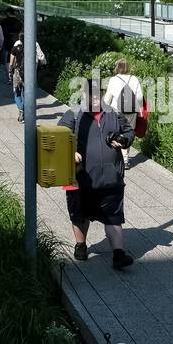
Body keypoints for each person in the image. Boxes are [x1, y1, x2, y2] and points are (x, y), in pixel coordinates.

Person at [58, 80, 134, 269]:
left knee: (113, 217)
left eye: (97, 96)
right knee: (80, 215)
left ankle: (118, 254)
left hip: (111, 178)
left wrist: (124, 140)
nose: (94, 100)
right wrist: (70, 151)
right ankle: (81, 245)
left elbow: (129, 131)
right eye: (90, 96)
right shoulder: (74, 113)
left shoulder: (113, 113)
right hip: (82, 177)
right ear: (83, 96)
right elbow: (59, 134)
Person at [103, 59, 144, 167]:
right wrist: (139, 111)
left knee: (115, 133)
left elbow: (108, 97)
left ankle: (114, 157)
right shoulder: (134, 79)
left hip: (117, 111)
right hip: (131, 112)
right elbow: (139, 97)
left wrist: (104, 107)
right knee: (128, 133)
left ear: (117, 67)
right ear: (127, 67)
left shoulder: (113, 79)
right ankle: (125, 160)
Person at [9, 32, 45, 123]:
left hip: (18, 73)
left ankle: (21, 109)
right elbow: (41, 58)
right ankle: (23, 111)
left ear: (20, 38)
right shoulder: (34, 45)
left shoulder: (16, 45)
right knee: (26, 94)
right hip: (29, 74)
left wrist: (10, 71)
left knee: (17, 93)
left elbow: (11, 61)